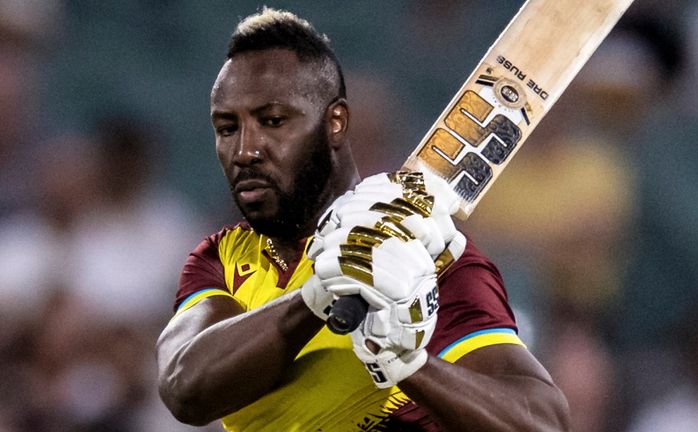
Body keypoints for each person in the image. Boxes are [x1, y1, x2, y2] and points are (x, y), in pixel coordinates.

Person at [156, 7, 569, 432]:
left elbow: (542, 424)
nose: (245, 150)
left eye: (273, 121)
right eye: (227, 128)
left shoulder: (430, 259)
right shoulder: (220, 260)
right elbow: (185, 389)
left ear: (335, 123)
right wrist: (320, 295)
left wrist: (406, 363)